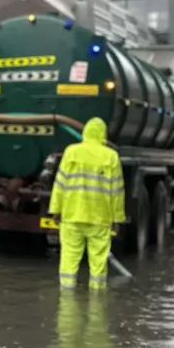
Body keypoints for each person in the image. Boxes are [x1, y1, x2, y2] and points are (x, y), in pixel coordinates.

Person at [48, 117, 126, 289]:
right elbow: (117, 191)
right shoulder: (111, 157)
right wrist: (117, 219)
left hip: (72, 216)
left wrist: (55, 210)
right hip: (100, 218)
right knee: (98, 263)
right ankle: (97, 302)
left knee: (69, 259)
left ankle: (67, 299)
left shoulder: (71, 152)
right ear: (103, 135)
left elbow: (60, 184)